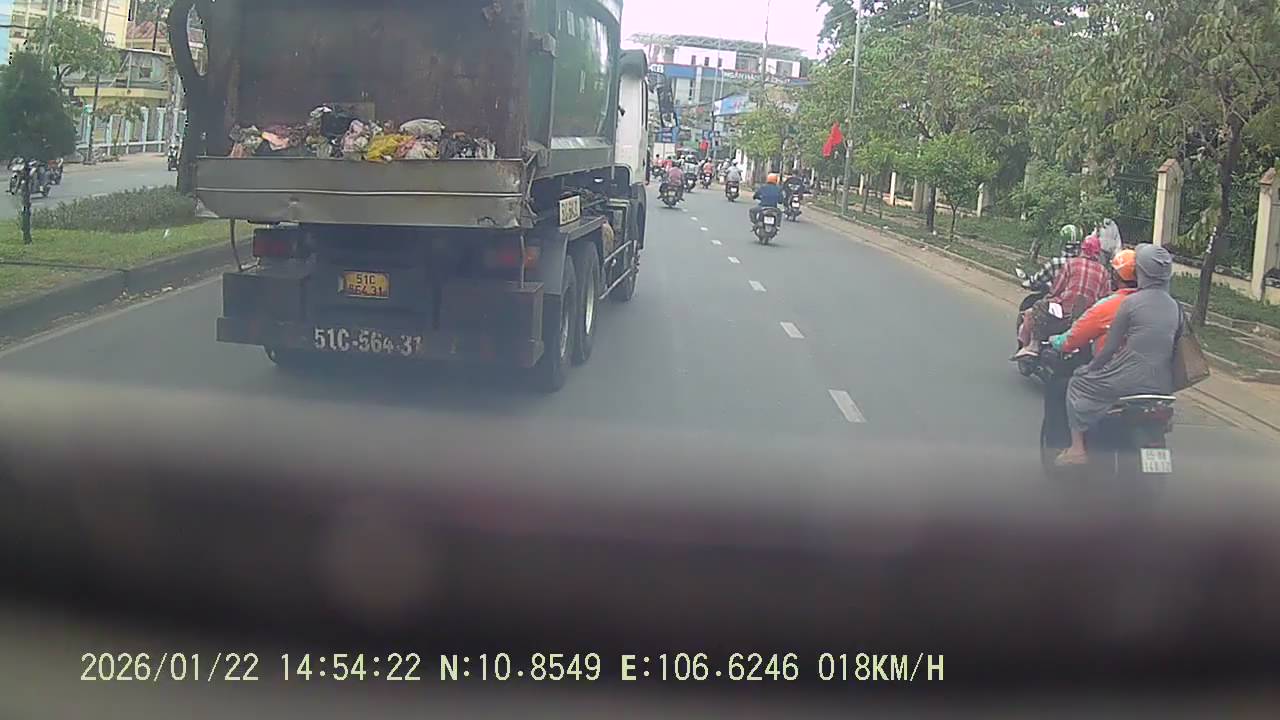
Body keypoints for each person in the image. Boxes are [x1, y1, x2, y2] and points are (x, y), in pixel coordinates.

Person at [1058, 244, 1180, 465]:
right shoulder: (1175, 307)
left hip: (1128, 379)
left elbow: (1110, 348)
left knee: (1077, 382)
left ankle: (1077, 449)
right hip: (1163, 385)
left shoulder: (1130, 303)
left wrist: (1090, 369)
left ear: (1140, 273)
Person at [1013, 233, 1110, 359]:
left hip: (1064, 313)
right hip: (1088, 317)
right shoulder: (1104, 272)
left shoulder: (1070, 264)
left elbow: (1056, 290)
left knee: (1038, 305)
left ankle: (1034, 346)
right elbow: (1105, 299)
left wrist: (1048, 299)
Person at [1048, 249, 1139, 357]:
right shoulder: (1150, 301)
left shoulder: (1109, 305)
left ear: (1115, 275)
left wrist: (1055, 341)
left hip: (1108, 363)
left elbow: (1075, 336)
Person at [1017, 224, 1084, 291]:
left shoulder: (1055, 263)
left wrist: (1030, 282)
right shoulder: (1085, 264)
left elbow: (1038, 279)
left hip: (1057, 295)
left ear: (1062, 242)